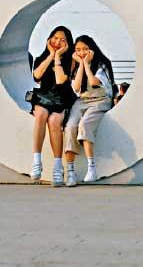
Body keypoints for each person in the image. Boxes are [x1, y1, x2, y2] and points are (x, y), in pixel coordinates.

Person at [62, 35, 115, 186]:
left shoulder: (102, 64)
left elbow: (93, 82)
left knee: (85, 124)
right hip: (82, 101)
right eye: (78, 50)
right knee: (70, 127)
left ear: (92, 49)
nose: (81, 52)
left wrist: (85, 63)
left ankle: (92, 168)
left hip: (100, 100)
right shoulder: (75, 66)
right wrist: (80, 65)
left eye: (85, 49)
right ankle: (70, 171)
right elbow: (77, 87)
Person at [28, 26, 75, 185]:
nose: (58, 42)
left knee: (54, 121)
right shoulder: (41, 57)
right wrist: (50, 55)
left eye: (62, 40)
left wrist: (58, 57)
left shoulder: (71, 60)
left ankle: (57, 166)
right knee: (41, 115)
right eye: (55, 38)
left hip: (62, 98)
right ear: (49, 39)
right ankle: (36, 161)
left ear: (67, 44)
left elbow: (61, 80)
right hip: (44, 97)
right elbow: (37, 76)